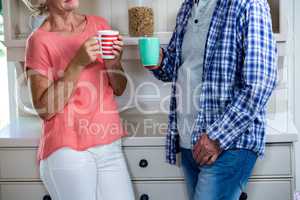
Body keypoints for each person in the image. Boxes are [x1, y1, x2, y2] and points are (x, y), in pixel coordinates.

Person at [145, 0, 277, 199]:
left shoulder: (249, 4)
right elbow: (177, 67)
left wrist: (216, 137)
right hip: (189, 138)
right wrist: (159, 61)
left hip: (227, 143)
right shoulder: (188, 6)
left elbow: (259, 83)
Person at [23, 0, 134, 199]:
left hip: (108, 144)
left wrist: (113, 63)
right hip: (67, 149)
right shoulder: (39, 40)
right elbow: (44, 109)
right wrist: (77, 63)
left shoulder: (99, 26)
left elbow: (119, 88)